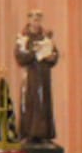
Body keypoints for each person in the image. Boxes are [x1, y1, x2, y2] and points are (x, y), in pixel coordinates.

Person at [14, 9, 59, 144]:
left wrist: (51, 57)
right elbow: (20, 57)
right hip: (31, 75)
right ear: (29, 20)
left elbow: (54, 54)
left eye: (39, 18)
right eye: (34, 18)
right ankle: (29, 132)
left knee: (43, 102)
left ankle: (44, 132)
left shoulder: (45, 38)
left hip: (43, 75)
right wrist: (35, 53)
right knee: (31, 101)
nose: (36, 21)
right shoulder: (23, 38)